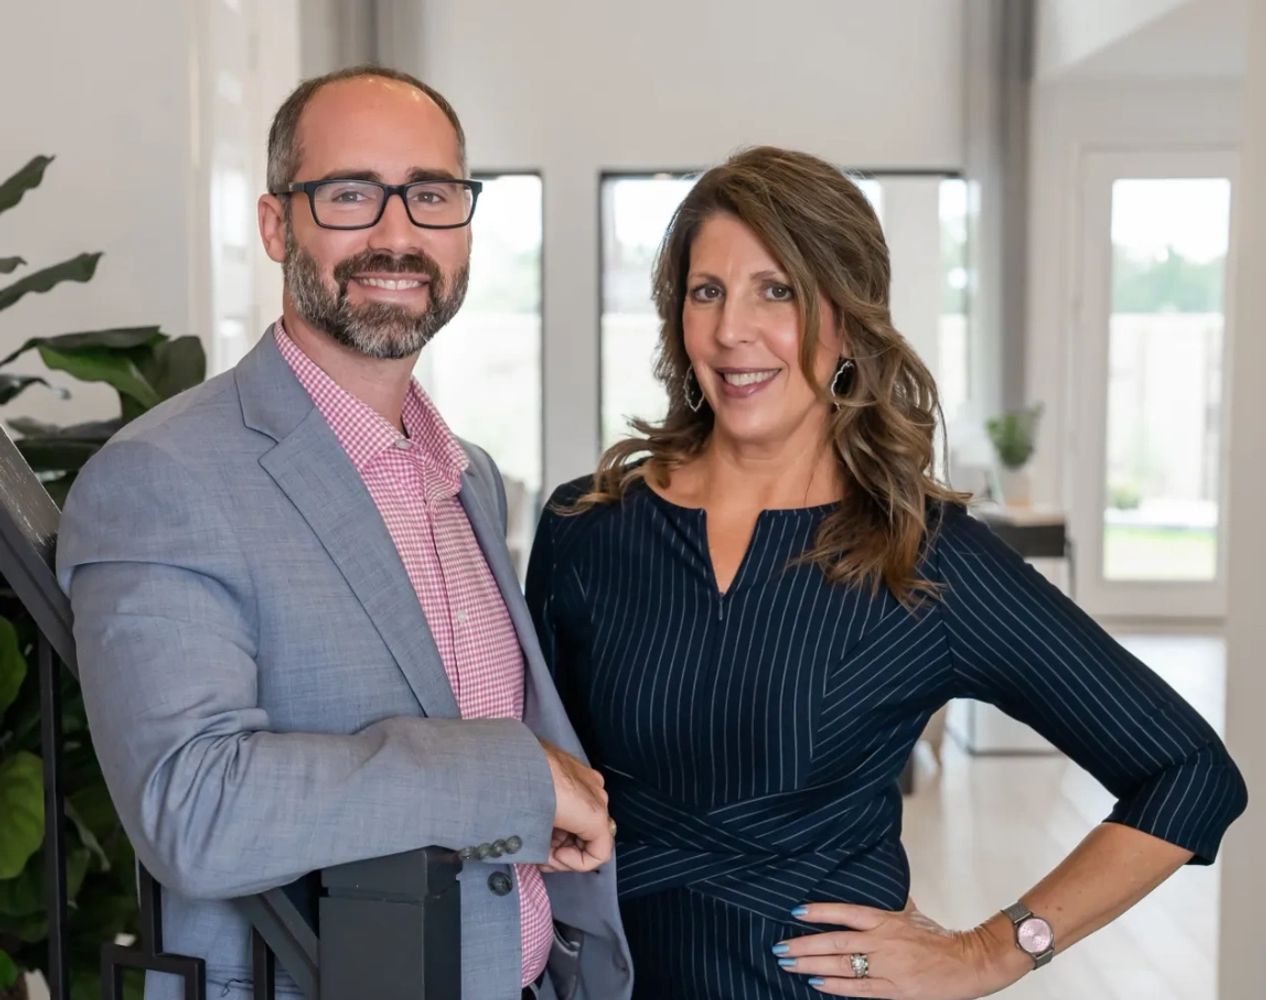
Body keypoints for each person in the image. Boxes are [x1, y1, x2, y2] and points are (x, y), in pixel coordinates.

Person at [525, 145, 1247, 999]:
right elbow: (534, 774)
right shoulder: (586, 529)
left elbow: (1190, 775)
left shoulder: (926, 556)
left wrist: (992, 951)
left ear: (848, 317)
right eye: (706, 291)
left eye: (777, 291)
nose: (730, 331)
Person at [58, 66, 630, 1000]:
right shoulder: (165, 475)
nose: (397, 235)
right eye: (351, 194)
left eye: (431, 195)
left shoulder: (468, 474)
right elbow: (194, 809)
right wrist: (512, 777)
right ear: (277, 225)